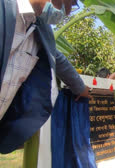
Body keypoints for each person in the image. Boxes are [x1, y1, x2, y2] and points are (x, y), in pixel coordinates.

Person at [0, 0, 91, 153]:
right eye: (70, 4)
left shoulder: (41, 30)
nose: (67, 12)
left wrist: (80, 88)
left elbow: (57, 59)